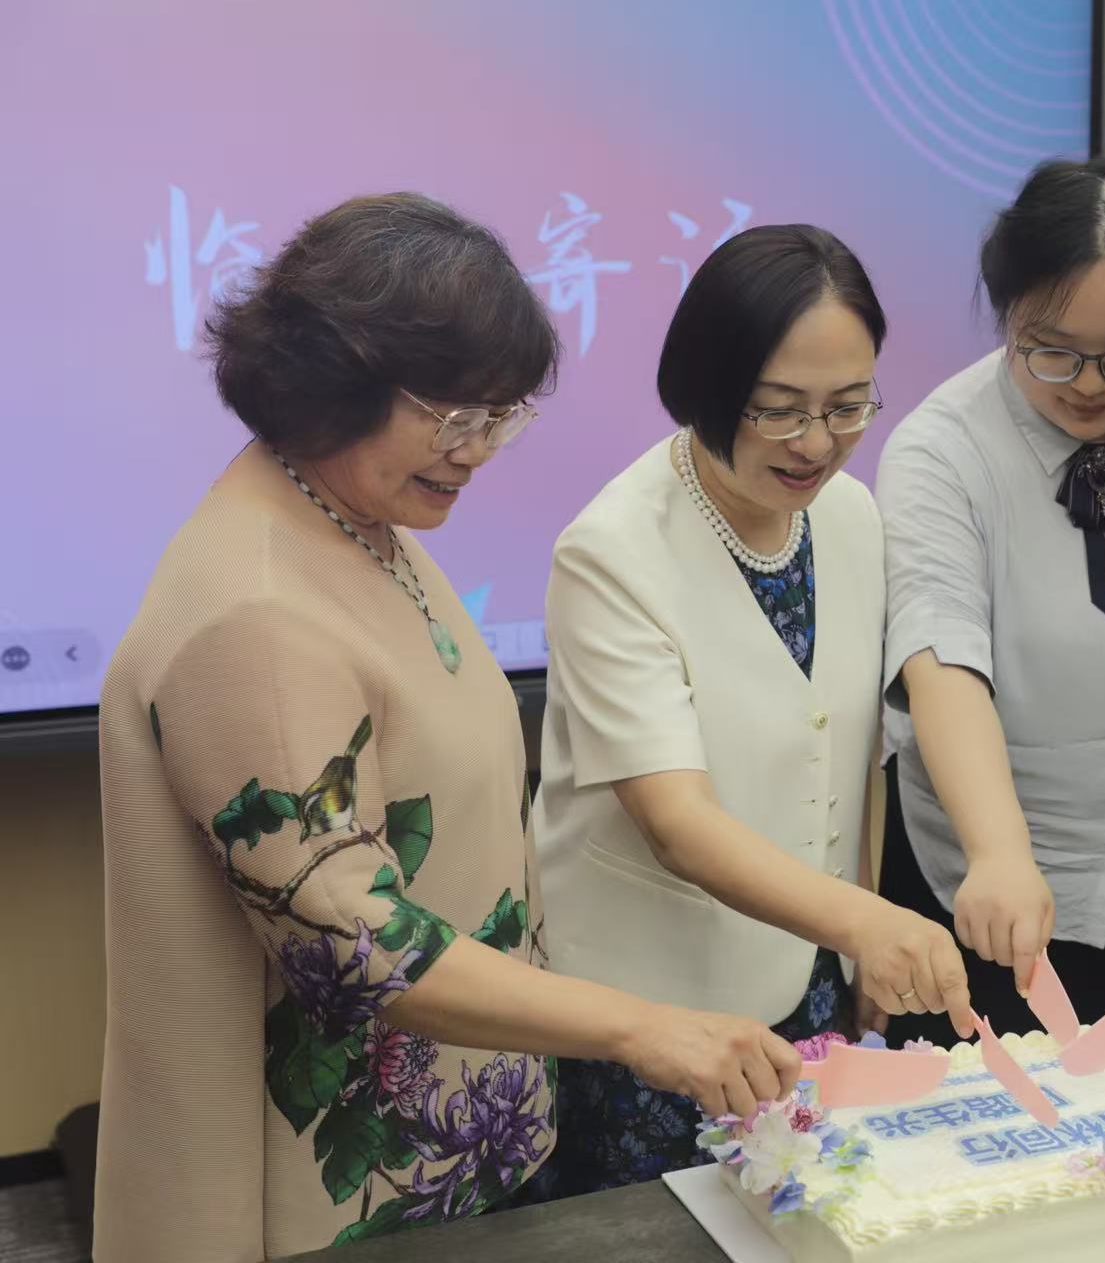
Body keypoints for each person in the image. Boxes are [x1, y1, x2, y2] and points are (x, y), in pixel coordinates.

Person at [94, 194, 801, 1263]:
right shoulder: (257, 615)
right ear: (333, 378)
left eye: (499, 416)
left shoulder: (357, 518)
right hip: (322, 1197)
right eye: (453, 415)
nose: (477, 451)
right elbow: (361, 943)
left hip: (447, 1139)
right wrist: (642, 1025)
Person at [530, 225, 972, 1194]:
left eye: (848, 405)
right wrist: (867, 921)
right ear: (707, 386)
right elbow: (677, 822)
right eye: (778, 410)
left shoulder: (850, 517)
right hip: (655, 1011)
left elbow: (846, 756)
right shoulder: (612, 553)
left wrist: (854, 946)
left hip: (807, 977)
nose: (817, 443)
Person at [875, 158, 1105, 1046]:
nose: (1088, 383)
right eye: (1051, 349)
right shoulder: (942, 450)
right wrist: (1000, 852)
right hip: (993, 904)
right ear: (1006, 313)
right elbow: (941, 658)